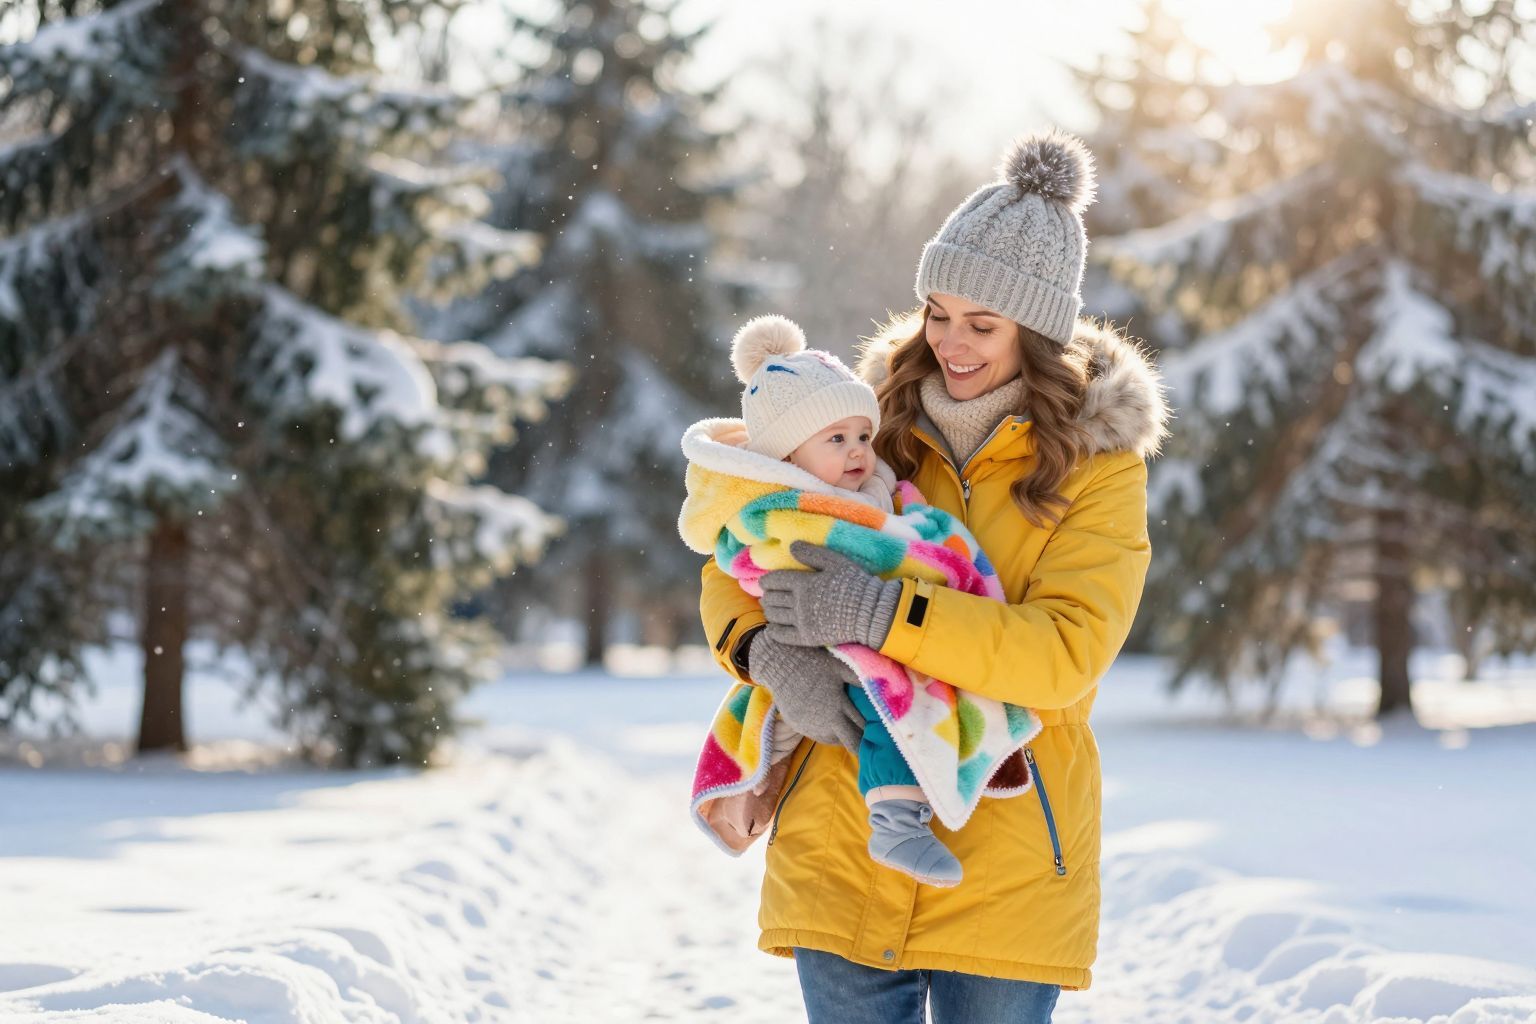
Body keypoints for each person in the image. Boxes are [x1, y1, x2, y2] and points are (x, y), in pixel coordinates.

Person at [696, 129, 1170, 1021]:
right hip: (840, 843)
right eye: (937, 312)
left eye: (982, 325)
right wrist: (766, 653)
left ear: (1037, 329)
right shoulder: (858, 426)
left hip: (1006, 859)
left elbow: (1063, 656)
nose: (951, 342)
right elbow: (742, 542)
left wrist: (883, 615)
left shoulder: (1098, 471)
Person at [680, 314, 1033, 887]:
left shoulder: (878, 489)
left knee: (908, 693)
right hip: (814, 644)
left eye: (864, 436)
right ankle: (896, 818)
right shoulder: (783, 507)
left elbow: (910, 537)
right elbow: (739, 566)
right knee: (884, 702)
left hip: (904, 635)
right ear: (788, 459)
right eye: (836, 440)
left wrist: (917, 563)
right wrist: (762, 650)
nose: (858, 452)